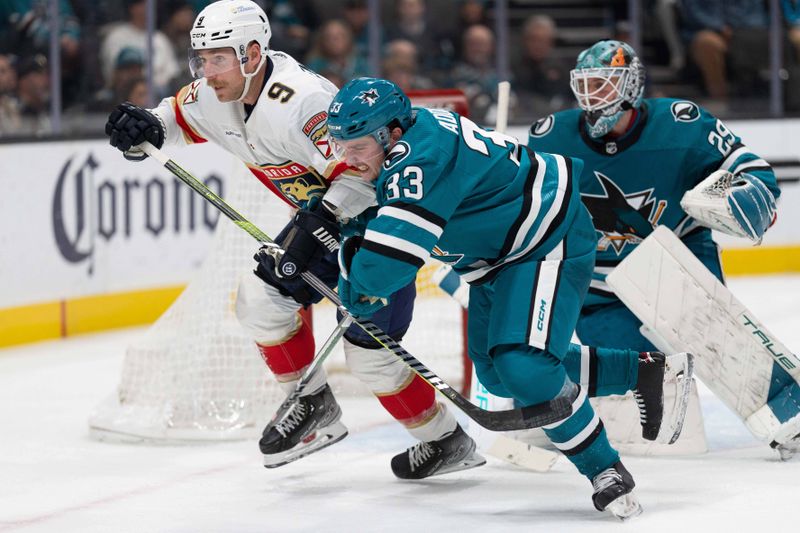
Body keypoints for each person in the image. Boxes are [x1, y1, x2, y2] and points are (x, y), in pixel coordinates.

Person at [103, 0, 479, 479]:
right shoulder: (213, 94)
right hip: (322, 221)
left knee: (370, 358)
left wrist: (314, 227)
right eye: (201, 58)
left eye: (218, 58)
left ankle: (446, 441)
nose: (206, 71)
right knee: (260, 299)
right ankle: (311, 405)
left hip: (380, 224)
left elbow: (362, 174)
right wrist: (148, 125)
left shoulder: (303, 101)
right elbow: (178, 118)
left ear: (254, 53)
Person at [324, 76, 694, 518]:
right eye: (341, 146)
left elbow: (380, 274)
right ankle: (641, 371)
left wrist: (346, 257)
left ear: (393, 135)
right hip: (499, 257)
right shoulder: (404, 144)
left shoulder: (417, 159)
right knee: (500, 377)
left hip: (544, 241)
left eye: (359, 146)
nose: (348, 159)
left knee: (525, 367)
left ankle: (606, 470)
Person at [526, 40, 790, 456]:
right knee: (636, 371)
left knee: (717, 342)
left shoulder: (682, 123)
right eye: (586, 84)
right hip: (599, 278)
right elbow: (525, 207)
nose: (592, 94)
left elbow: (751, 168)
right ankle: (562, 412)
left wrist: (748, 193)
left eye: (604, 83)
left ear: (631, 86)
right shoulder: (550, 136)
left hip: (676, 258)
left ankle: (786, 411)